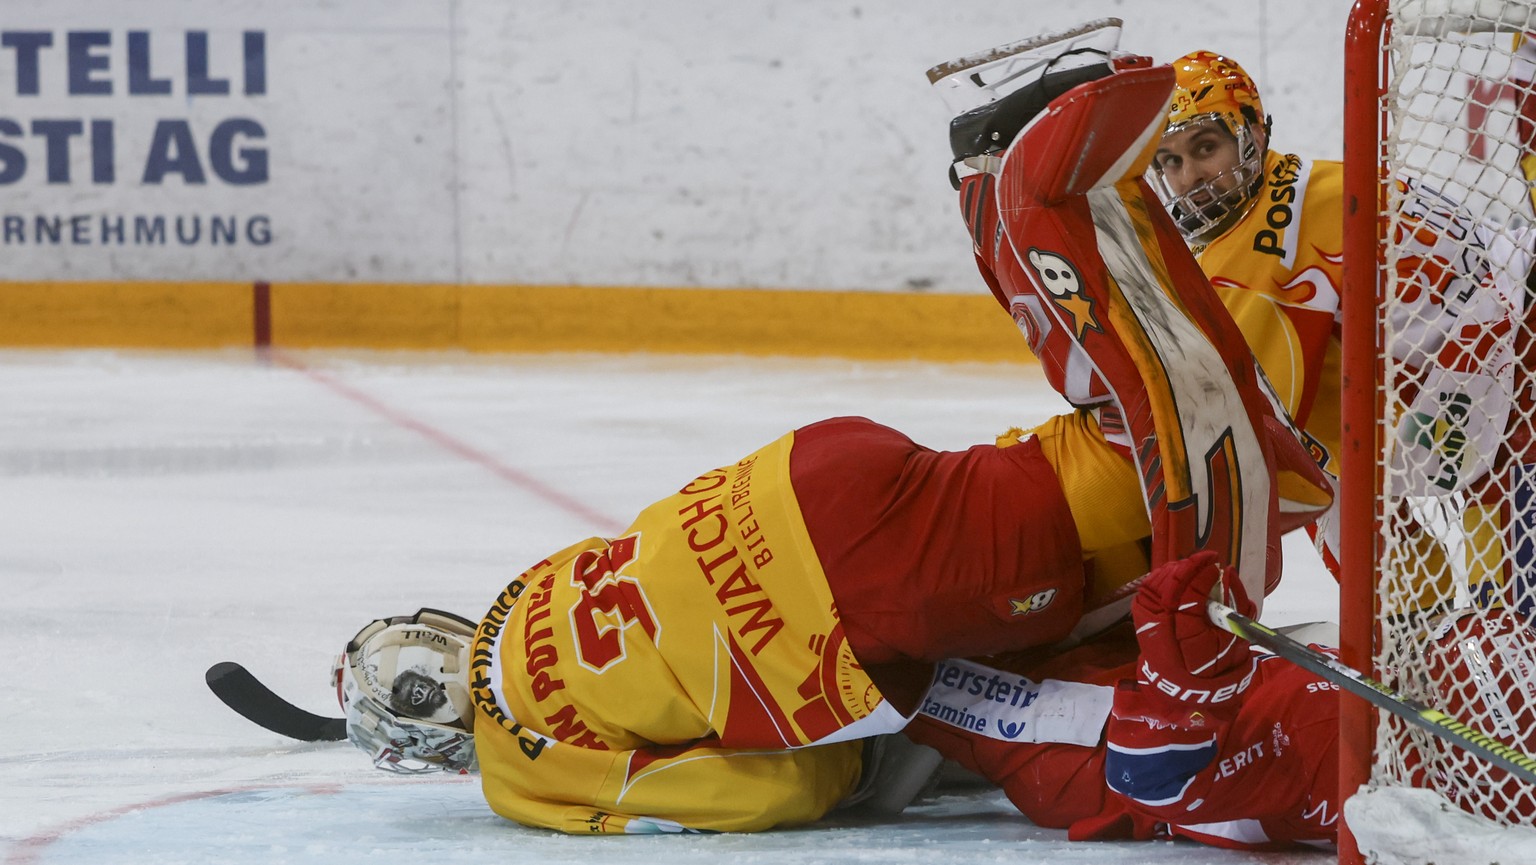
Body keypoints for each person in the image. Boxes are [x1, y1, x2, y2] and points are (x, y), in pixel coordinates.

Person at [334, 414, 1091, 834]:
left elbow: (759, 795)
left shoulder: (512, 773)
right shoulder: (528, 583)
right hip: (810, 469)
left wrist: (848, 763)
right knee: (1092, 513)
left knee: (1039, 708)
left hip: (853, 635)